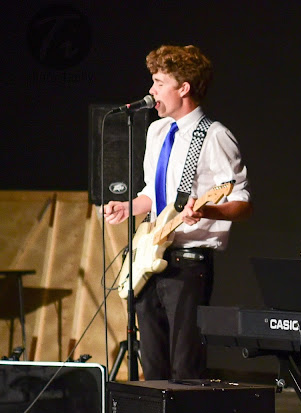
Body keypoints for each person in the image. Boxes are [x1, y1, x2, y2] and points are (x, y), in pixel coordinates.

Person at [104, 44, 252, 380]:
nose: (151, 91)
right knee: (152, 365)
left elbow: (243, 203)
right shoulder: (157, 131)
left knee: (185, 365)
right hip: (150, 257)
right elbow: (153, 194)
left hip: (188, 263)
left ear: (183, 88)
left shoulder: (215, 136)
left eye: (159, 83)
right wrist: (128, 207)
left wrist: (207, 210)